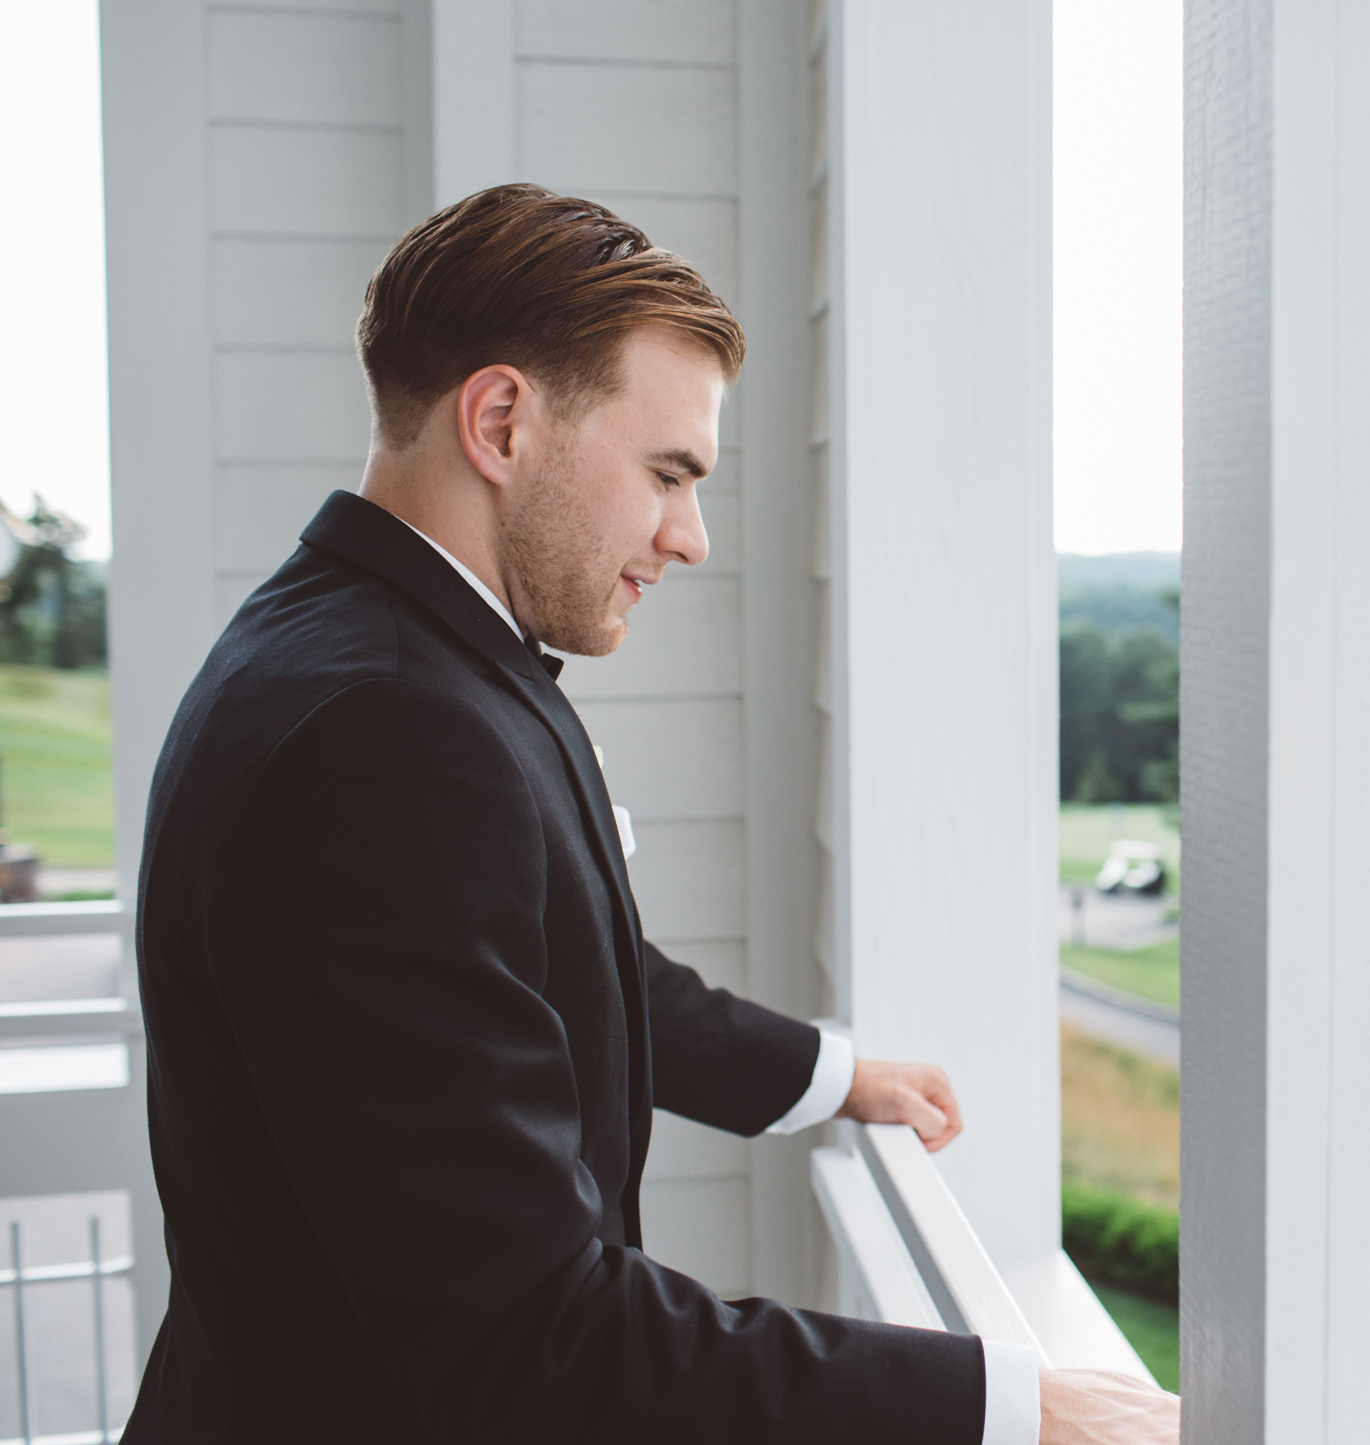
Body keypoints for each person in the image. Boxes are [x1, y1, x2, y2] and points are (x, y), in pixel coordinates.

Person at [125, 184, 1178, 1444]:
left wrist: (831, 1073)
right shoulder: (387, 733)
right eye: (669, 472)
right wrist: (1015, 1401)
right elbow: (536, 1337)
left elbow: (538, 967)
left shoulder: (360, 645)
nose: (692, 536)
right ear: (504, 419)